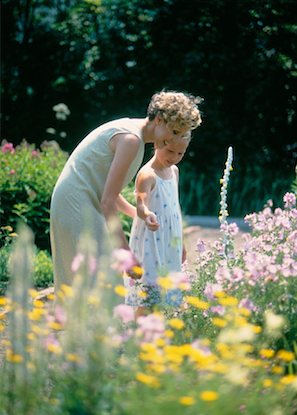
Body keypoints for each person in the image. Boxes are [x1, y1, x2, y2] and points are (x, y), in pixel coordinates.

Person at [50, 90, 202, 292]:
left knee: (91, 285)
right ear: (158, 120)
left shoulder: (136, 139)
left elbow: (108, 191)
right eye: (173, 132)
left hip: (81, 199)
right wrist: (126, 254)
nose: (173, 141)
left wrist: (138, 216)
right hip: (75, 202)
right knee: (103, 282)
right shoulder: (131, 140)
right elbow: (107, 202)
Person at [124, 132, 192, 317]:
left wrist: (181, 243)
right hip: (151, 242)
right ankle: (139, 336)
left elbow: (175, 210)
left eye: (180, 153)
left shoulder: (174, 172)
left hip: (169, 242)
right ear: (157, 143)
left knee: (167, 290)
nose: (174, 158)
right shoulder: (147, 175)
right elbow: (140, 204)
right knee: (149, 294)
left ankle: (158, 331)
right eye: (170, 151)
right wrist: (146, 215)